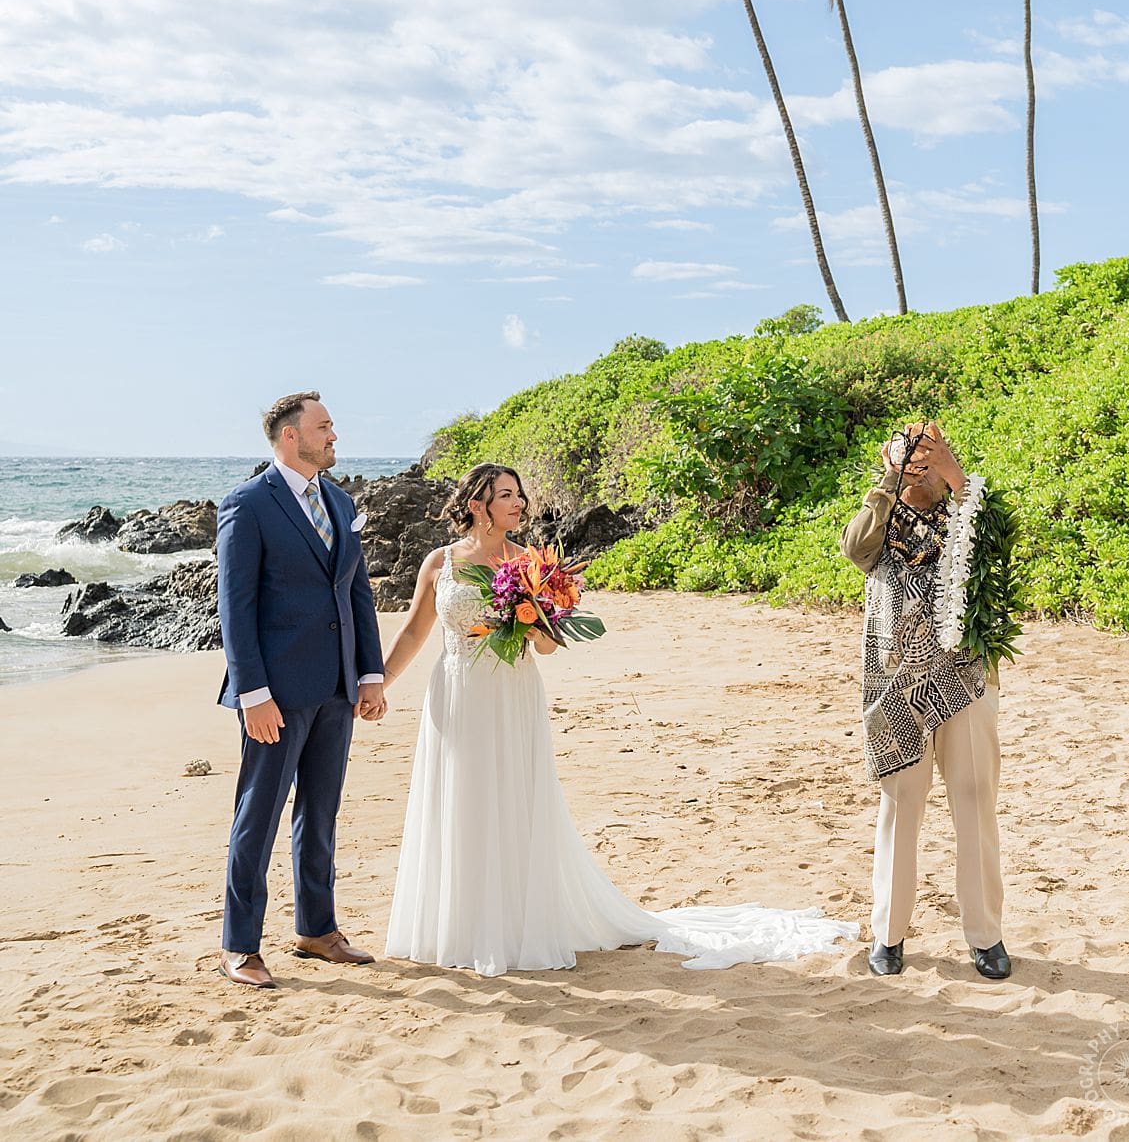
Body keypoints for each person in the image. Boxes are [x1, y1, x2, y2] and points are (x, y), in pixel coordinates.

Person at [381, 461, 857, 977]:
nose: (518, 503)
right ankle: (460, 925)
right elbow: (414, 632)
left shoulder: (530, 564)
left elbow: (548, 647)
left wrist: (531, 621)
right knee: (459, 798)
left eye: (519, 494)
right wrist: (378, 685)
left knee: (512, 798)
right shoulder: (441, 562)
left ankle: (512, 925)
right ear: (477, 505)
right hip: (456, 692)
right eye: (506, 495)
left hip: (509, 693)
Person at [216, 392, 386, 988]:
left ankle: (317, 929)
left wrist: (369, 674)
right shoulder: (247, 504)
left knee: (321, 813)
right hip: (276, 693)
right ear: (290, 436)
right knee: (258, 817)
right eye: (324, 426)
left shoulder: (340, 501)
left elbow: (356, 591)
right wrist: (252, 692)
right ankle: (240, 945)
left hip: (337, 685)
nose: (334, 435)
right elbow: (235, 607)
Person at [840, 421, 1010, 981]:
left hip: (966, 681)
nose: (921, 469)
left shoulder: (967, 513)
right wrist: (892, 479)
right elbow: (855, 548)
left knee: (975, 802)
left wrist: (955, 477)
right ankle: (888, 935)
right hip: (896, 688)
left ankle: (986, 936)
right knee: (900, 808)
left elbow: (997, 549)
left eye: (928, 460)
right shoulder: (881, 515)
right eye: (911, 457)